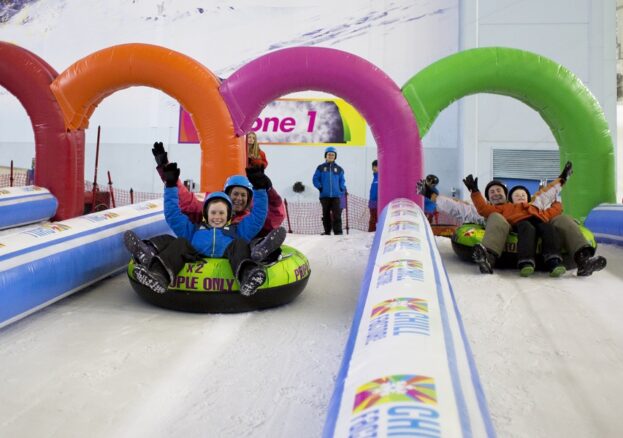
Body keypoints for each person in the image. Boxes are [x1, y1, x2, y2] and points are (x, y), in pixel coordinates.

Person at [126, 162, 286, 296]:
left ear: (229, 215)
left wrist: (260, 188)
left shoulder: (238, 229)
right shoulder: (195, 230)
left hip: (229, 256)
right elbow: (173, 215)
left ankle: (248, 276)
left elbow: (259, 216)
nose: (217, 216)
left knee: (240, 244)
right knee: (178, 242)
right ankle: (158, 274)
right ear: (205, 214)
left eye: (222, 213)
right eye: (213, 212)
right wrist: (170, 186)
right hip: (197, 257)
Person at [151, 141, 285, 237]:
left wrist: (266, 189)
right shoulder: (211, 207)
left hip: (236, 255)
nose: (239, 198)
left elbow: (275, 217)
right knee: (173, 242)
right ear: (226, 195)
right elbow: (185, 201)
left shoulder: (249, 220)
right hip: (205, 253)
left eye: (243, 196)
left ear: (249, 199)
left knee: (254, 243)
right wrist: (168, 176)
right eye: (235, 194)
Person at [507, 185, 566, 277]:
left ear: (528, 198)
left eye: (523, 195)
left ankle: (553, 260)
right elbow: (485, 209)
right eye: (517, 195)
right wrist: (475, 193)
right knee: (527, 227)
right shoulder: (509, 208)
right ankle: (526, 262)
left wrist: (554, 200)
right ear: (511, 199)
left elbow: (555, 210)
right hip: (521, 224)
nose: (521, 197)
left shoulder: (536, 208)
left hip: (538, 222)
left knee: (548, 227)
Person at [312, 146, 346, 235]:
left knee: (337, 215)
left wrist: (341, 188)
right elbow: (315, 179)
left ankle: (338, 232)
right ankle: (327, 232)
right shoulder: (320, 168)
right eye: (329, 154)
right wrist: (320, 187)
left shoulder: (339, 169)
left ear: (335, 156)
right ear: (325, 156)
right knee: (326, 215)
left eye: (333, 155)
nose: (331, 156)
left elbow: (342, 180)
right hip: (324, 196)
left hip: (336, 196)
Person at [368, 160, 378, 232]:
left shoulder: (381, 177)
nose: (374, 168)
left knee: (375, 220)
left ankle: (373, 233)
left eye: (376, 166)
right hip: (372, 203)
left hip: (378, 203)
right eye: (373, 166)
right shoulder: (375, 177)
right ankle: (370, 233)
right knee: (372, 220)